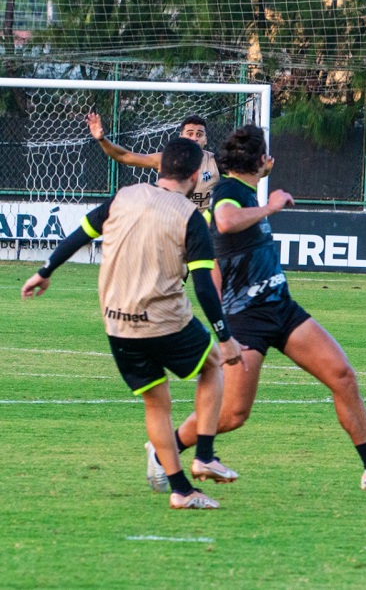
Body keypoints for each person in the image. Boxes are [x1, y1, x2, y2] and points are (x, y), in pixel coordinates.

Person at [165, 125, 366, 502]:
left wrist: (264, 197)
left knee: (343, 375)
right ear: (259, 160)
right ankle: (163, 450)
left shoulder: (247, 190)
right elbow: (226, 221)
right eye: (266, 153)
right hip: (247, 318)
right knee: (232, 414)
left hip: (281, 308)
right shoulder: (230, 191)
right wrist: (272, 205)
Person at [21, 138, 244, 509]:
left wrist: (45, 271)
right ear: (194, 175)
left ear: (160, 168)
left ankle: (181, 490)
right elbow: (205, 286)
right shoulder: (191, 216)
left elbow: (80, 234)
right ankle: (204, 454)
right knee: (212, 364)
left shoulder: (123, 197)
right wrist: (225, 337)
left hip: (118, 324)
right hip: (164, 321)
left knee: (156, 404)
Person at [86, 113, 221, 211]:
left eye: (199, 135)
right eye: (190, 133)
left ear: (206, 139)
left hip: (203, 229)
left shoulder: (216, 162)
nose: (194, 138)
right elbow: (124, 156)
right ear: (181, 136)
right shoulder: (167, 159)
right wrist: (102, 139)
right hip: (171, 224)